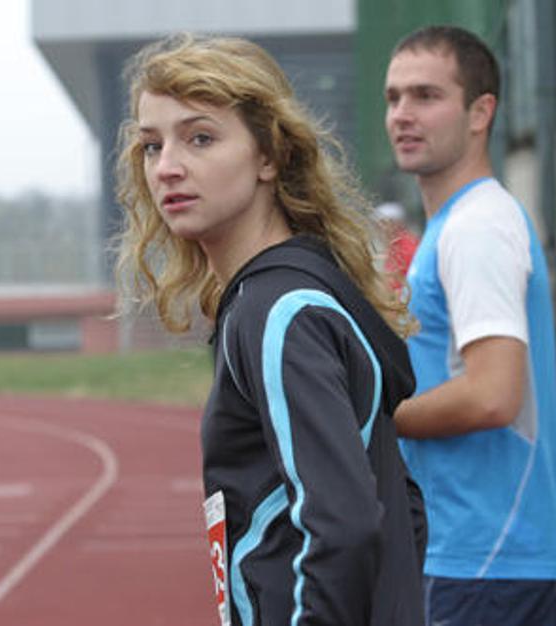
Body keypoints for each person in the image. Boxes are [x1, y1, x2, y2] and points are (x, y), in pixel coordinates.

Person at [116, 33, 426, 626]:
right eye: (152, 145)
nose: (168, 167)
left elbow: (345, 524)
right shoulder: (301, 288)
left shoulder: (278, 312)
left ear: (269, 156)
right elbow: (403, 505)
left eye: (200, 138)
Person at [384, 25, 556, 625]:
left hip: (486, 558)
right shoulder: (456, 226)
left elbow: (493, 395)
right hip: (475, 553)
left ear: (480, 113)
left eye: (426, 96)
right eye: (393, 98)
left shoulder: (476, 229)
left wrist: (373, 418)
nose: (402, 115)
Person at [375, 201, 420, 295]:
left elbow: (413, 284)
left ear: (397, 223)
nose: (379, 229)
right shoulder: (394, 246)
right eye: (378, 225)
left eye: (383, 223)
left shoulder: (407, 248)